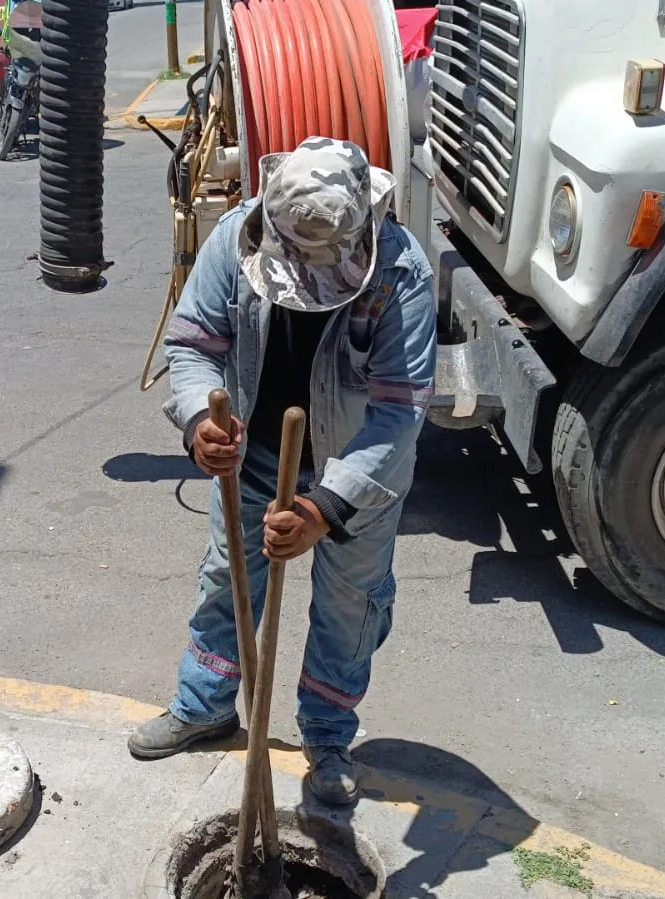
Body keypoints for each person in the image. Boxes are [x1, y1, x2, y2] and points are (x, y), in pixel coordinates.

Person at [130, 136, 438, 807]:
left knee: (348, 607)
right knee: (225, 582)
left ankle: (326, 739)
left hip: (352, 473)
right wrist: (197, 422)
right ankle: (204, 704)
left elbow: (399, 409)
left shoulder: (401, 270)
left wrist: (324, 507)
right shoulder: (235, 241)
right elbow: (190, 347)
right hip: (253, 457)